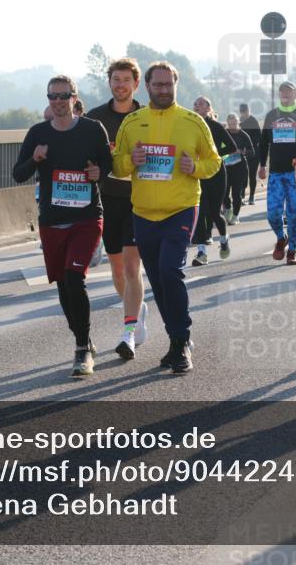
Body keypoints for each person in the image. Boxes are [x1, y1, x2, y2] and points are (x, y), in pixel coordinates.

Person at [112, 61, 221, 374]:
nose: (163, 90)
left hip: (181, 208)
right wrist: (130, 160)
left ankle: (181, 342)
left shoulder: (192, 121)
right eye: (157, 85)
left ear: (176, 86)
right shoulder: (133, 122)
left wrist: (195, 169)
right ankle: (176, 338)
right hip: (143, 213)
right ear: (146, 87)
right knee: (158, 281)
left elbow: (214, 162)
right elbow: (117, 166)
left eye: (168, 85)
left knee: (170, 271)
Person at [13, 76, 112, 376]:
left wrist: (99, 172)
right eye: (52, 97)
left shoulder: (93, 129)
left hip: (86, 217)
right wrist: (35, 158)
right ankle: (84, 339)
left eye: (63, 96)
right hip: (52, 220)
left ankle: (82, 350)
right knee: (63, 285)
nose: (57, 102)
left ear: (74, 97)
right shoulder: (38, 133)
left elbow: (109, 165)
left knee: (73, 276)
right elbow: (18, 174)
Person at [85, 58, 149, 361]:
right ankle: (137, 307)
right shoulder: (95, 119)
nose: (121, 84)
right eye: (116, 79)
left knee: (132, 266)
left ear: (136, 84)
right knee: (117, 268)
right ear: (109, 83)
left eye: (126, 80)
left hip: (140, 199)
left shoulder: (148, 116)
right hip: (107, 199)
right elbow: (85, 156)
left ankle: (129, 330)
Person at [258, 81, 296, 265]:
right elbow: (263, 142)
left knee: (293, 214)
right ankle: (280, 237)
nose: (285, 94)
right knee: (273, 214)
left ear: (295, 95)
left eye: (288, 92)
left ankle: (292, 251)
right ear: (279, 95)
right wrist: (262, 165)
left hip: (295, 175)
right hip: (276, 173)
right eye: (282, 92)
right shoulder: (271, 115)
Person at [190, 97, 236, 266]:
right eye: (195, 103)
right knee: (200, 212)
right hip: (198, 173)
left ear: (209, 108)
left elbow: (231, 147)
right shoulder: (191, 125)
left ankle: (223, 239)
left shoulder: (216, 126)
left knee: (214, 213)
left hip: (216, 174)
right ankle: (202, 253)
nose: (197, 106)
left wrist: (214, 153)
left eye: (201, 103)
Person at [223, 113, 255, 225]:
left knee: (237, 194)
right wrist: (226, 152)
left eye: (234, 123)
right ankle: (228, 208)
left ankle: (235, 216)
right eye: (230, 123)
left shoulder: (243, 135)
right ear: (227, 123)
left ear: (238, 123)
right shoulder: (224, 134)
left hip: (240, 168)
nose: (232, 126)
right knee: (223, 193)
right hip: (226, 168)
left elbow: (252, 152)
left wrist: (241, 151)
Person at [238, 103, 263, 205]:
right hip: (243, 153)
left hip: (253, 153)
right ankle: (242, 196)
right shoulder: (239, 121)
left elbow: (258, 137)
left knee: (252, 175)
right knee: (243, 174)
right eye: (242, 111)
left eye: (245, 111)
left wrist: (249, 144)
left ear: (248, 110)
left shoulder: (253, 121)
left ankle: (252, 196)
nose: (244, 113)